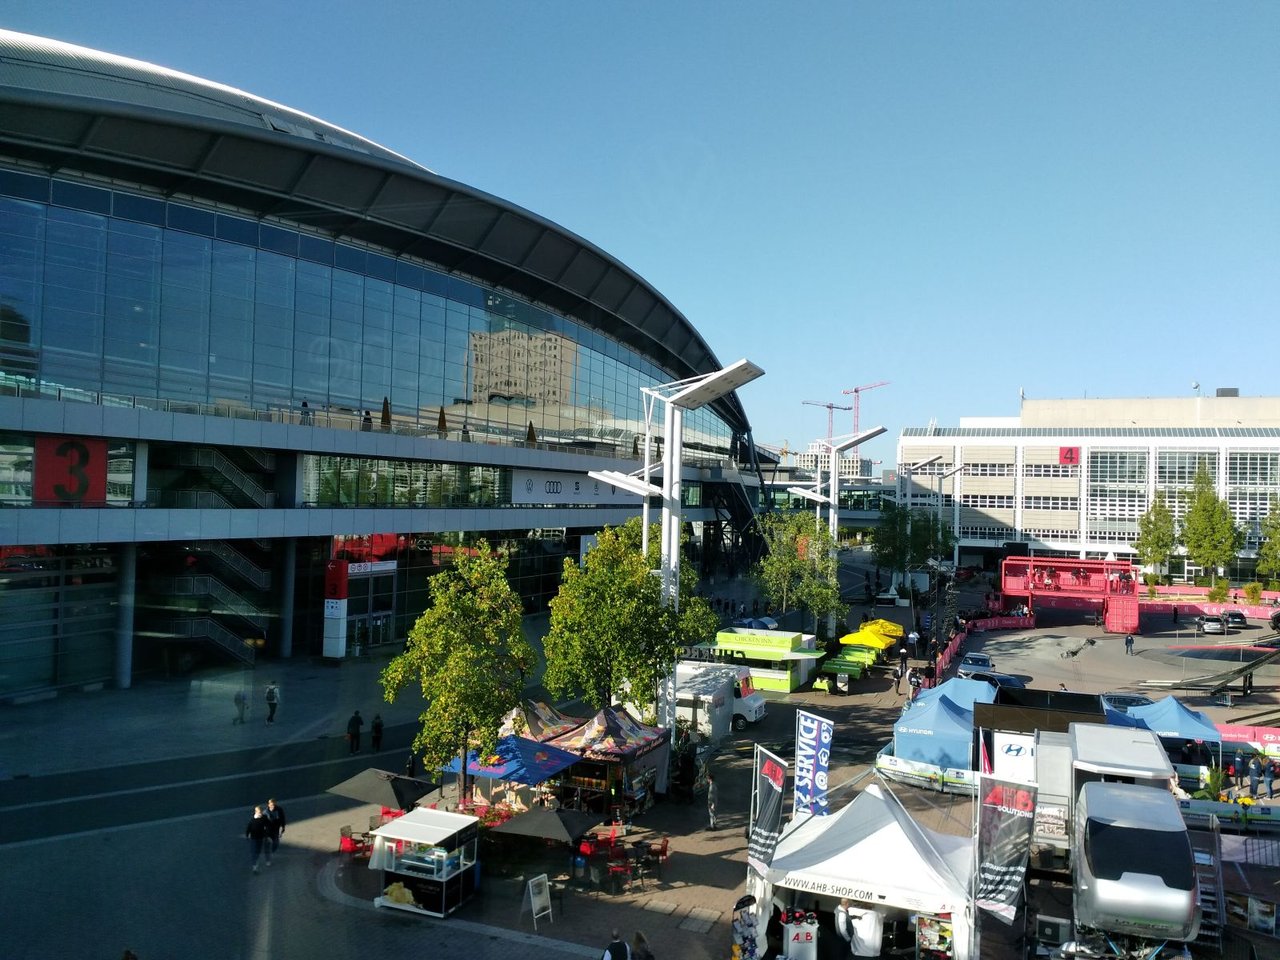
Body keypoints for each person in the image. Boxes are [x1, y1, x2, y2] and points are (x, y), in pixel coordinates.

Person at [246, 804, 271, 873]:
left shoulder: (264, 818)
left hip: (261, 837)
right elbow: (248, 828)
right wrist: (247, 835)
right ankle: (255, 867)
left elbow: (269, 825)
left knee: (259, 850)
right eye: (258, 812)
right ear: (255, 812)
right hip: (254, 838)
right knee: (255, 852)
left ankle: (264, 861)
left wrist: (267, 833)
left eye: (260, 812)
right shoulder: (252, 819)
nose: (260, 813)